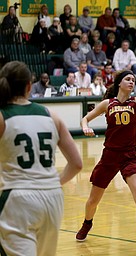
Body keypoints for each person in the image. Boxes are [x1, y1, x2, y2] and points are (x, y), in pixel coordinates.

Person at [75, 59, 136, 249]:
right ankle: (87, 223)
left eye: (134, 79)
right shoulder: (107, 104)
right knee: (93, 200)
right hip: (109, 155)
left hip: (129, 155)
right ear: (119, 83)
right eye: (128, 79)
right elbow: (85, 118)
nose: (132, 82)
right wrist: (85, 127)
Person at [0, 61, 82, 256]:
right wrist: (52, 182)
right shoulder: (52, 115)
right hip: (53, 197)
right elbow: (77, 164)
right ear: (29, 86)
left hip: (17, 198)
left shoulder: (2, 117)